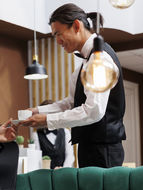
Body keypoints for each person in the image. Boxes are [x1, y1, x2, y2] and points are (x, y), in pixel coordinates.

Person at [21, 3, 126, 168]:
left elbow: (94, 110)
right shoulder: (84, 64)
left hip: (103, 150)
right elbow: (71, 103)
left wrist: (48, 120)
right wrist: (38, 111)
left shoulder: (100, 59)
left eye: (58, 34)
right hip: (90, 147)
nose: (57, 41)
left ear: (76, 25)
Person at [32, 100, 75, 169]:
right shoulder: (36, 135)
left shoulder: (66, 132)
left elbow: (70, 156)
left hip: (63, 173)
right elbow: (37, 158)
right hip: (46, 174)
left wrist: (62, 169)